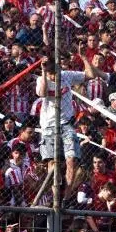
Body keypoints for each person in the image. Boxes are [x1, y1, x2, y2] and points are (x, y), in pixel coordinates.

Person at [35, 55, 99, 191]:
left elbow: (90, 74)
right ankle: (55, 195)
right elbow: (42, 93)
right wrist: (43, 71)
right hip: (49, 125)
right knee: (53, 163)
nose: (53, 77)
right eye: (50, 74)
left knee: (71, 160)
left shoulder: (67, 75)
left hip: (66, 123)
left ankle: (65, 198)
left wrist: (84, 57)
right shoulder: (42, 79)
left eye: (54, 73)